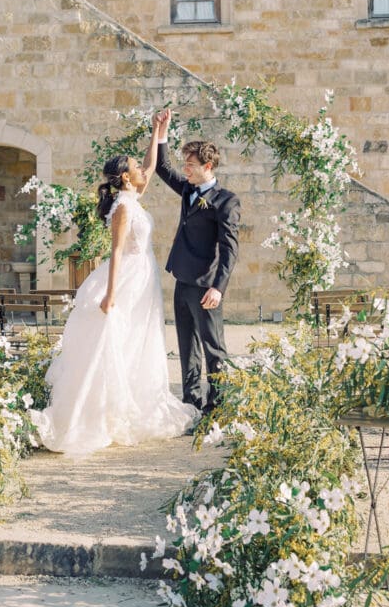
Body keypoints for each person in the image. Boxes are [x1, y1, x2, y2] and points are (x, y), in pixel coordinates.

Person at [30, 118, 197, 457]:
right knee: (119, 339)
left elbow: (151, 166)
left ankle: (134, 400)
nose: (140, 170)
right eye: (134, 167)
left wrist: (157, 133)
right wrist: (110, 293)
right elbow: (116, 251)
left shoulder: (132, 197)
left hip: (144, 278)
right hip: (129, 277)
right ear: (124, 177)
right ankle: (104, 413)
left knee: (141, 338)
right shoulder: (122, 208)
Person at [153, 109, 240, 415]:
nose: (185, 170)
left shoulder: (226, 201)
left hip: (206, 287)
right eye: (185, 165)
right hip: (182, 280)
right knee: (187, 349)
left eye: (190, 165)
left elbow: (230, 249)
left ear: (207, 166)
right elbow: (162, 168)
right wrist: (161, 131)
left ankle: (218, 408)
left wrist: (219, 288)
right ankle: (191, 405)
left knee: (214, 350)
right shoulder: (188, 188)